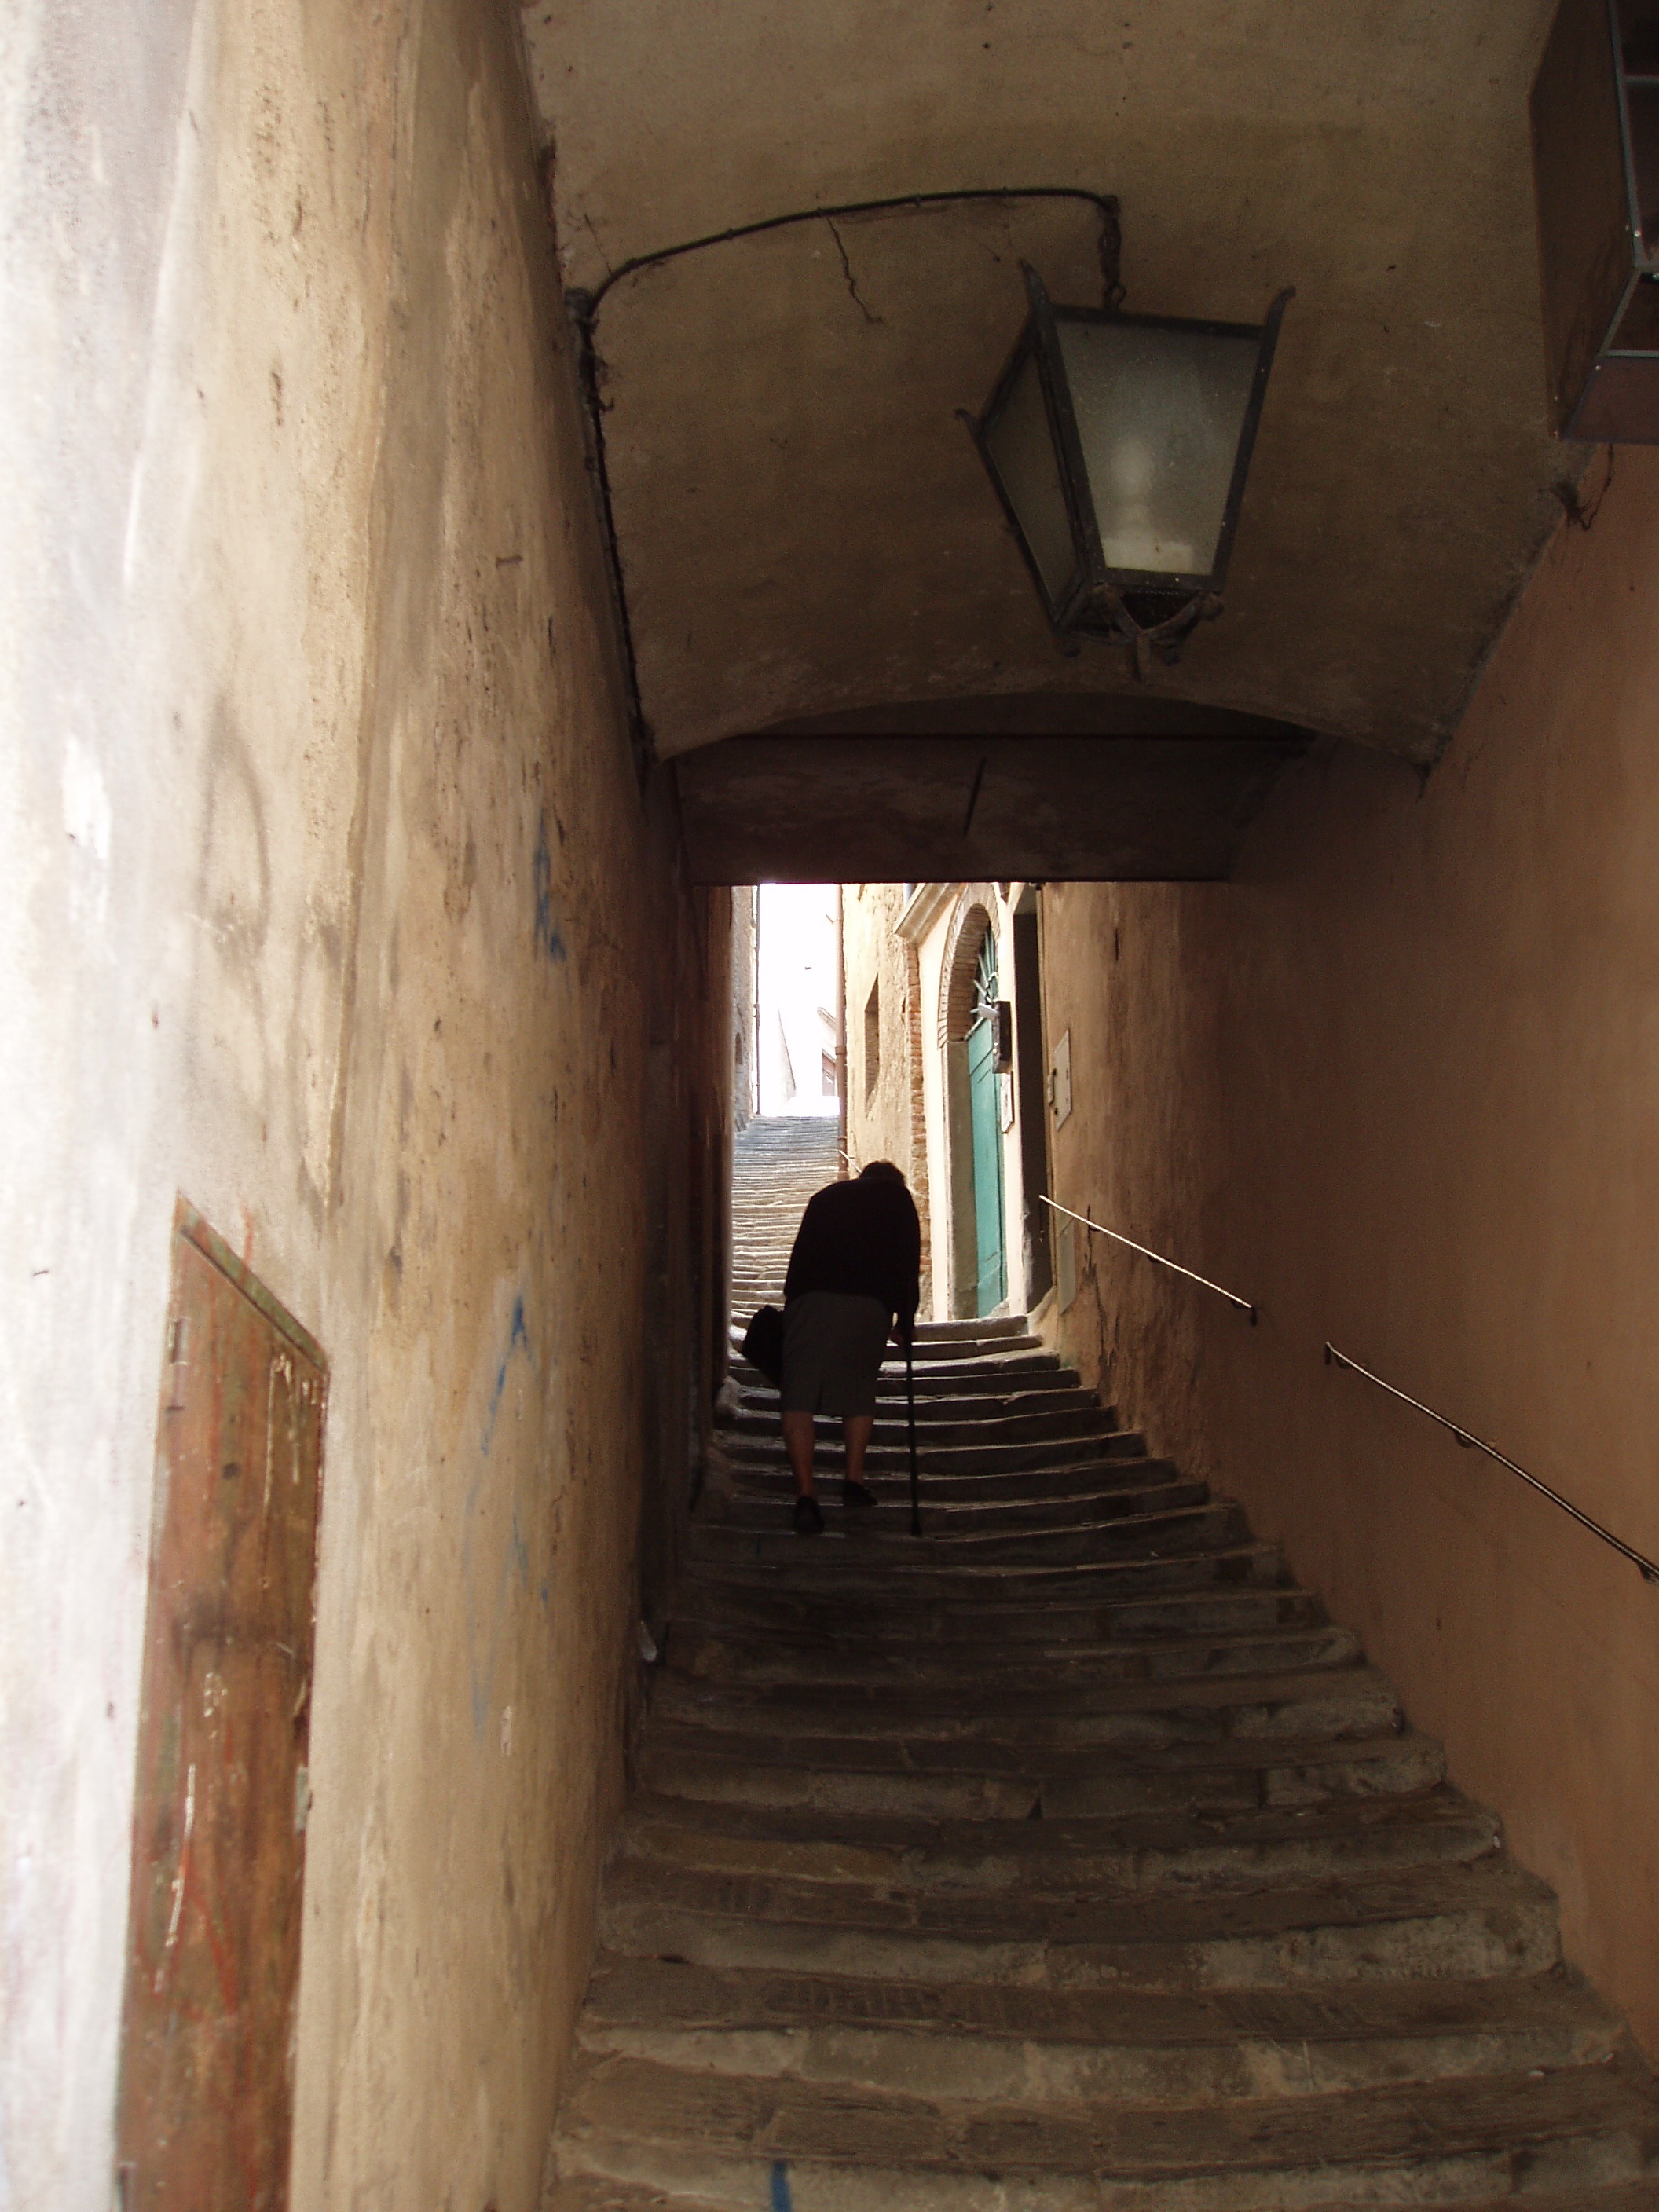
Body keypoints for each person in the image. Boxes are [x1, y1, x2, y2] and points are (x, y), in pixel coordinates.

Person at [779, 1159, 921, 1536]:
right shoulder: (898, 1200)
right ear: (896, 1182)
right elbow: (908, 1264)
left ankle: (806, 1493)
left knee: (798, 1394)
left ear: (863, 1177)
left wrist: (793, 1305)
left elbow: (799, 1256)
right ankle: (853, 1482)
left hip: (810, 1297)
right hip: (869, 1303)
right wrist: (905, 1321)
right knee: (859, 1391)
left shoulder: (825, 1196)